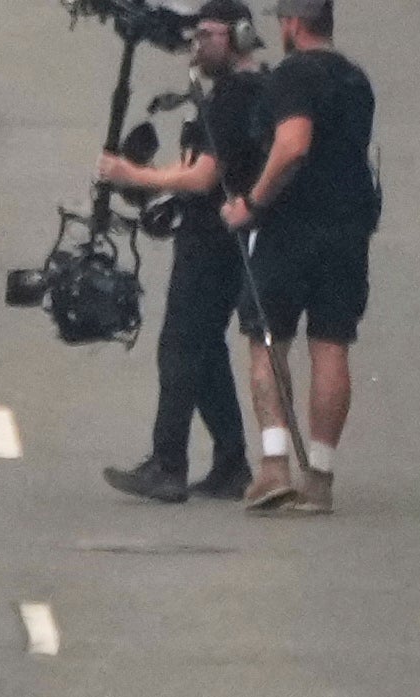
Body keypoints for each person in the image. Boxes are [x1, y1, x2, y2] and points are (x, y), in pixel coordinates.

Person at [98, 7, 270, 504]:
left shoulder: (234, 98)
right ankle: (231, 462)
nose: (196, 44)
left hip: (212, 240)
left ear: (238, 36)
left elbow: (203, 177)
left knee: (178, 347)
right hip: (227, 235)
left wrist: (132, 176)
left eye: (207, 35)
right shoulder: (248, 92)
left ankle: (168, 464)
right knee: (205, 349)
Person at [226, 0, 377, 514]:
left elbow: (293, 145)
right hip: (349, 230)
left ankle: (272, 466)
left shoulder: (292, 76)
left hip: (290, 229)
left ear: (292, 23)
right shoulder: (357, 81)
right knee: (332, 345)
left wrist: (252, 202)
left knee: (267, 339)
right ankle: (320, 475)